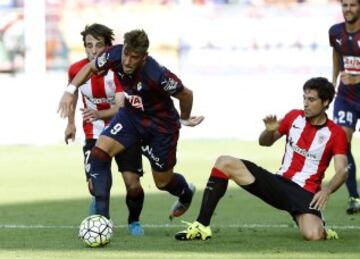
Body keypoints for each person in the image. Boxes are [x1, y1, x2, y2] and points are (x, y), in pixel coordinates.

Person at [175, 77, 348, 241]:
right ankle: (201, 227)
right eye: (304, 98)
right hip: (278, 184)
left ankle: (321, 227)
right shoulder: (294, 117)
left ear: (325, 102)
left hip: (305, 193)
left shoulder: (336, 133)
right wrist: (269, 131)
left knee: (314, 236)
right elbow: (264, 142)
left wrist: (326, 190)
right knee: (224, 162)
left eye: (311, 100)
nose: (305, 104)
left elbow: (342, 170)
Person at [58, 29, 203, 221]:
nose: (127, 61)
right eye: (126, 54)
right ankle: (102, 220)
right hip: (132, 117)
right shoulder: (114, 54)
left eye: (134, 57)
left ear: (144, 57)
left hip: (161, 128)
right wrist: (70, 90)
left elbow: (186, 94)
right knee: (99, 155)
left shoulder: (157, 74)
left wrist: (184, 118)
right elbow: (91, 67)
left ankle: (185, 192)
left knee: (162, 182)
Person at [65, 24, 145, 236]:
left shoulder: (118, 70)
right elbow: (72, 95)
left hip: (124, 132)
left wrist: (100, 114)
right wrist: (71, 123)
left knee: (133, 185)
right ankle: (102, 220)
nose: (93, 50)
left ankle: (134, 221)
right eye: (88, 46)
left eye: (98, 45)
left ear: (108, 48)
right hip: (94, 134)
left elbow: (121, 106)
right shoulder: (76, 70)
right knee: (95, 186)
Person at [329, 0, 360, 214]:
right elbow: (337, 54)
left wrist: (357, 78)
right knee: (342, 142)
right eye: (345, 5)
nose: (348, 9)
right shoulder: (335, 32)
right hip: (345, 97)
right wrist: (333, 82)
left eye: (353, 5)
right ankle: (354, 197)